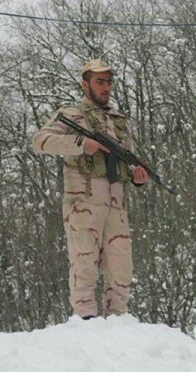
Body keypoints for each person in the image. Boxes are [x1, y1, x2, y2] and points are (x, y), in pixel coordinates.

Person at [32, 59, 148, 319]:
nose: (106, 87)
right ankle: (85, 323)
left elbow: (127, 161)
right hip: (83, 202)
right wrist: (81, 143)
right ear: (85, 85)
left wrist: (138, 176)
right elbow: (40, 141)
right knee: (84, 264)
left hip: (116, 205)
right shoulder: (72, 115)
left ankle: (118, 322)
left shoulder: (118, 120)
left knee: (121, 269)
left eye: (108, 82)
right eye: (100, 82)